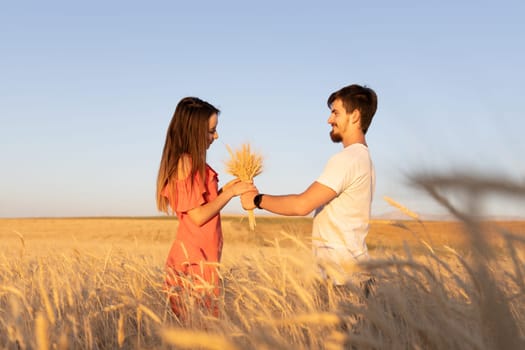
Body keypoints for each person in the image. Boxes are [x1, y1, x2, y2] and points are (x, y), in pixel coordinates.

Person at [242, 84, 377, 291]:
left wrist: (257, 200)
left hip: (344, 279)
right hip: (351, 276)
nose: (329, 120)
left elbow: (302, 204)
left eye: (335, 112)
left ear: (355, 116)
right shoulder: (363, 158)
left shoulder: (348, 159)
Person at [156, 97, 256, 318]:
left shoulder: (195, 164)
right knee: (197, 329)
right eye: (212, 131)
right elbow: (199, 217)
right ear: (194, 131)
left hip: (204, 261)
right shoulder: (185, 164)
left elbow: (202, 207)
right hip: (191, 263)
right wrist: (230, 194)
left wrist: (225, 190)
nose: (216, 136)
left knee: (204, 328)